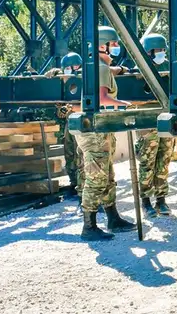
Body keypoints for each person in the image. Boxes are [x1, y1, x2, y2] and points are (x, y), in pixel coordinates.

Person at [70, 26, 136, 241]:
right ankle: (88, 227)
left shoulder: (97, 67)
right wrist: (125, 105)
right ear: (101, 46)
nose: (116, 47)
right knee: (97, 177)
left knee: (107, 175)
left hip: (99, 129)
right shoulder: (101, 69)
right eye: (113, 44)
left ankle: (113, 218)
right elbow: (102, 99)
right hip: (95, 132)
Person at [134, 33, 175, 218]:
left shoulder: (168, 66)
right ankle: (146, 202)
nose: (161, 53)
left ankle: (161, 199)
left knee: (164, 160)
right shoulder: (139, 69)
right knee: (147, 162)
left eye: (163, 50)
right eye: (157, 50)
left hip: (165, 120)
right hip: (147, 122)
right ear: (148, 52)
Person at [48, 52, 85, 199]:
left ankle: (83, 186)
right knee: (69, 153)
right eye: (67, 68)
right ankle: (74, 183)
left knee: (81, 154)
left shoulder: (84, 79)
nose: (70, 70)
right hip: (70, 122)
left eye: (73, 66)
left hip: (82, 122)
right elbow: (60, 112)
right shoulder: (63, 82)